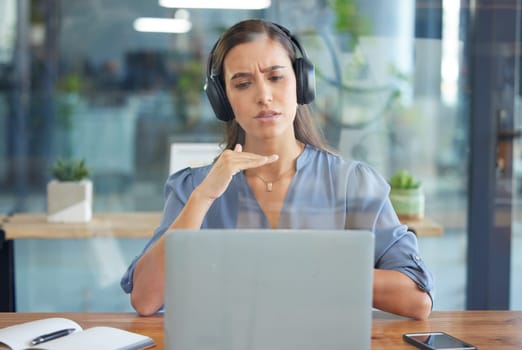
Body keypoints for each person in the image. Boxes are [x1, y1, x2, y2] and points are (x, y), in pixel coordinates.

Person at [121, 19, 434, 319]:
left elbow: (416, 300)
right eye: (243, 83)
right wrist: (203, 198)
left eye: (276, 76)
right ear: (223, 101)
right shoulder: (193, 188)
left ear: (301, 83)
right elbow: (146, 299)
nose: (264, 96)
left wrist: (311, 267)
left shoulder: (351, 183)